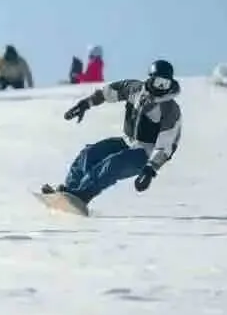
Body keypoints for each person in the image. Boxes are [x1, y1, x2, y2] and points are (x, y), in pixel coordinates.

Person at [42, 59, 182, 208]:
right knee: (89, 153)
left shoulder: (170, 109)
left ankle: (82, 196)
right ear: (150, 79)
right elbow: (107, 93)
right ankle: (70, 192)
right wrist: (86, 104)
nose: (160, 88)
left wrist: (150, 170)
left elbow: (166, 145)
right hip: (128, 142)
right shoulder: (134, 89)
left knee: (113, 164)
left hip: (146, 153)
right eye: (158, 82)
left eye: (165, 84)